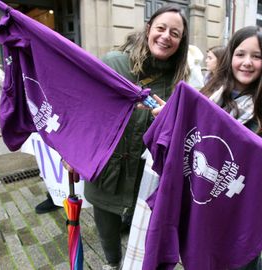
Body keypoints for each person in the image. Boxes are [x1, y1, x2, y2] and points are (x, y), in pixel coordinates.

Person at [65, 6, 189, 269]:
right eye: (161, 28)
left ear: (181, 42)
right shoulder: (113, 63)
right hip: (106, 170)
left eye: (175, 33)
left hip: (146, 180)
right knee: (107, 232)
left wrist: (170, 120)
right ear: (148, 30)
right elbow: (83, 111)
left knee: (142, 238)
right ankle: (112, 263)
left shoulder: (180, 83)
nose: (166, 36)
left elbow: (184, 135)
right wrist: (71, 155)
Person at [200, 25, 262, 269]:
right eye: (241, 54)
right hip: (204, 205)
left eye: (256, 56)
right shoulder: (207, 96)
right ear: (230, 57)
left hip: (241, 215)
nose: (247, 62)